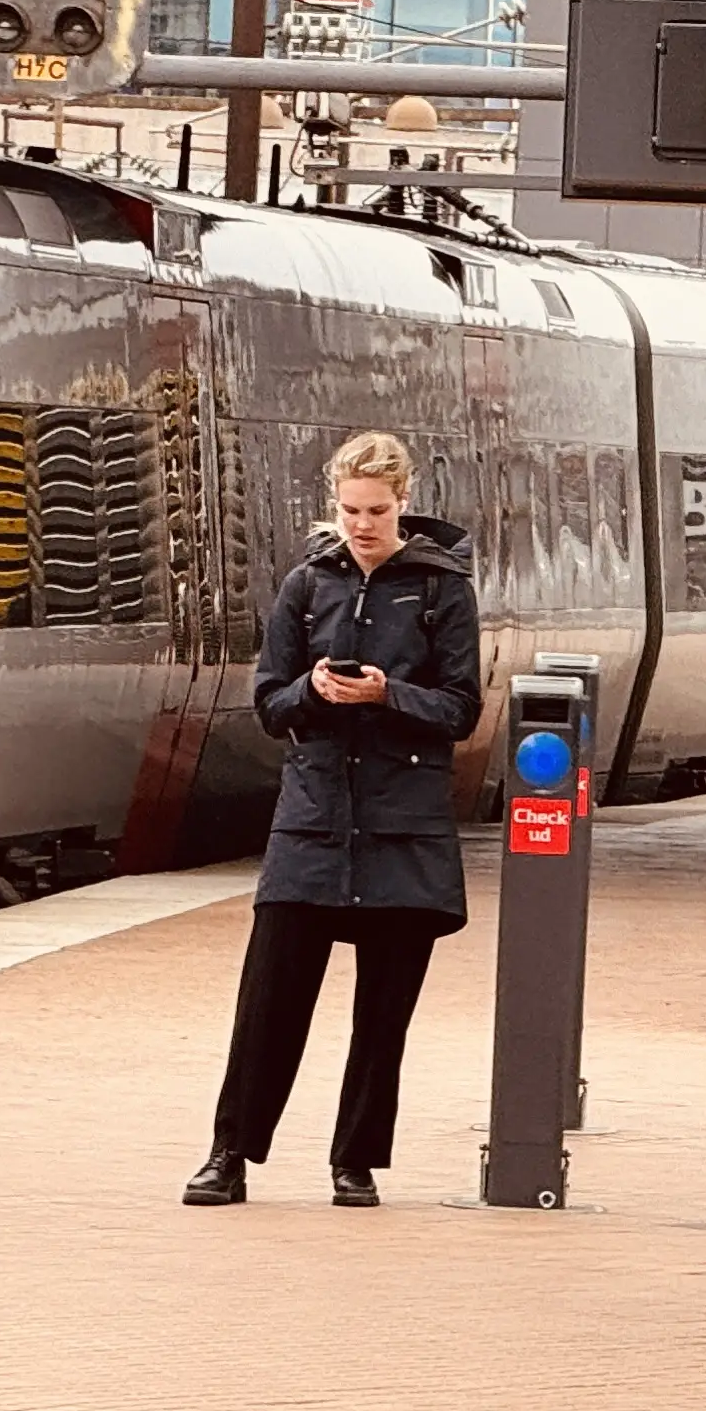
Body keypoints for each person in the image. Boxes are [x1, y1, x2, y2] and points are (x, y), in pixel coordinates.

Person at [185, 430, 484, 1209]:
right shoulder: (306, 585)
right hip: (313, 819)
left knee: (383, 1015)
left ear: (404, 503)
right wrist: (315, 692)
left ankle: (355, 1162)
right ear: (335, 504)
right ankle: (229, 1153)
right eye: (350, 510)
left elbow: (461, 709)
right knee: (269, 1001)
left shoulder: (442, 587)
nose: (362, 524)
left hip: (403, 824)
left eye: (377, 510)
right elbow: (268, 704)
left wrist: (389, 694)